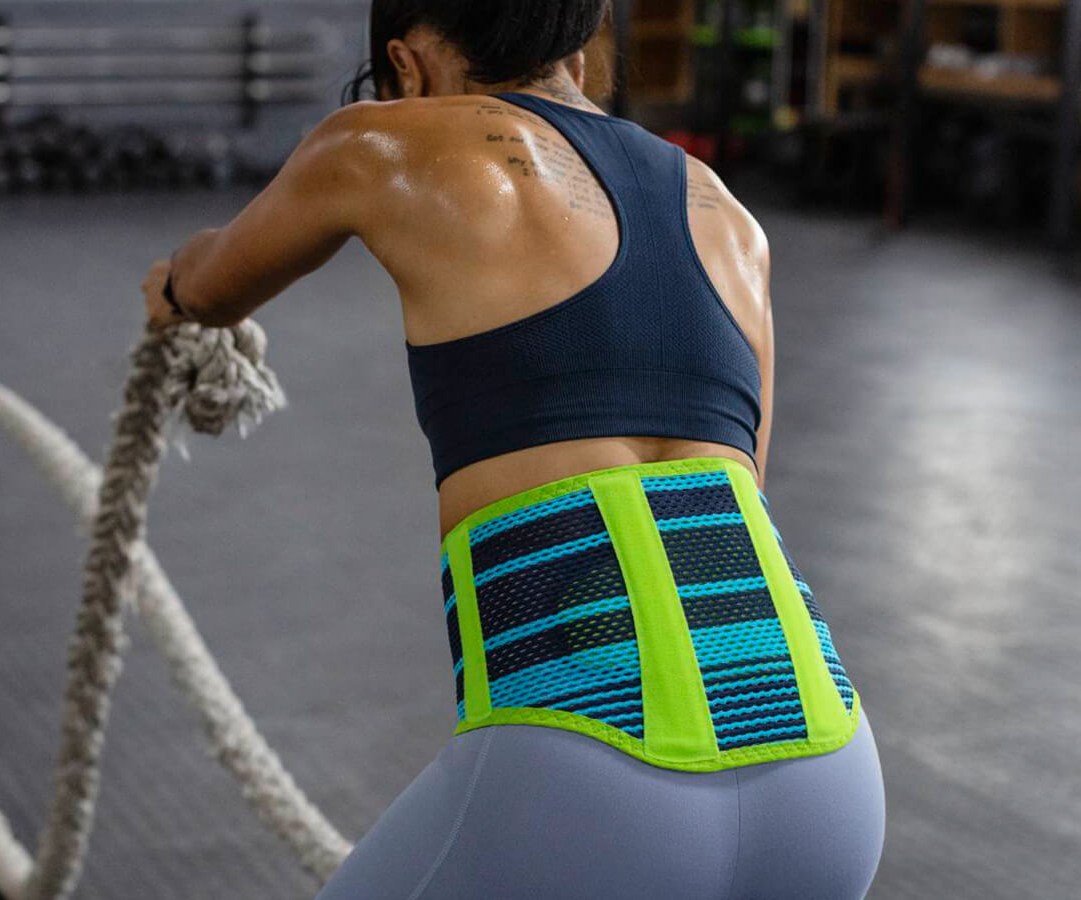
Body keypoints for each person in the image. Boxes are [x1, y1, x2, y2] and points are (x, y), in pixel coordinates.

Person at [140, 2, 885, 897]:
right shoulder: (730, 219)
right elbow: (742, 490)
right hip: (825, 771)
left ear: (406, 68)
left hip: (596, 768)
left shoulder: (381, 142)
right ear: (580, 47)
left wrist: (172, 292)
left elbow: (215, 283)